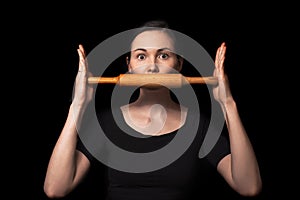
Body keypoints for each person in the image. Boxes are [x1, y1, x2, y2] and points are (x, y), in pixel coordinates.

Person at [43, 20, 262, 199]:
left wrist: (228, 103)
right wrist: (77, 105)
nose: (152, 65)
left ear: (178, 65)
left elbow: (249, 187)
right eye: (141, 56)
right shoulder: (106, 123)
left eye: (163, 55)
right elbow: (55, 189)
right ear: (129, 66)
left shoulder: (199, 126)